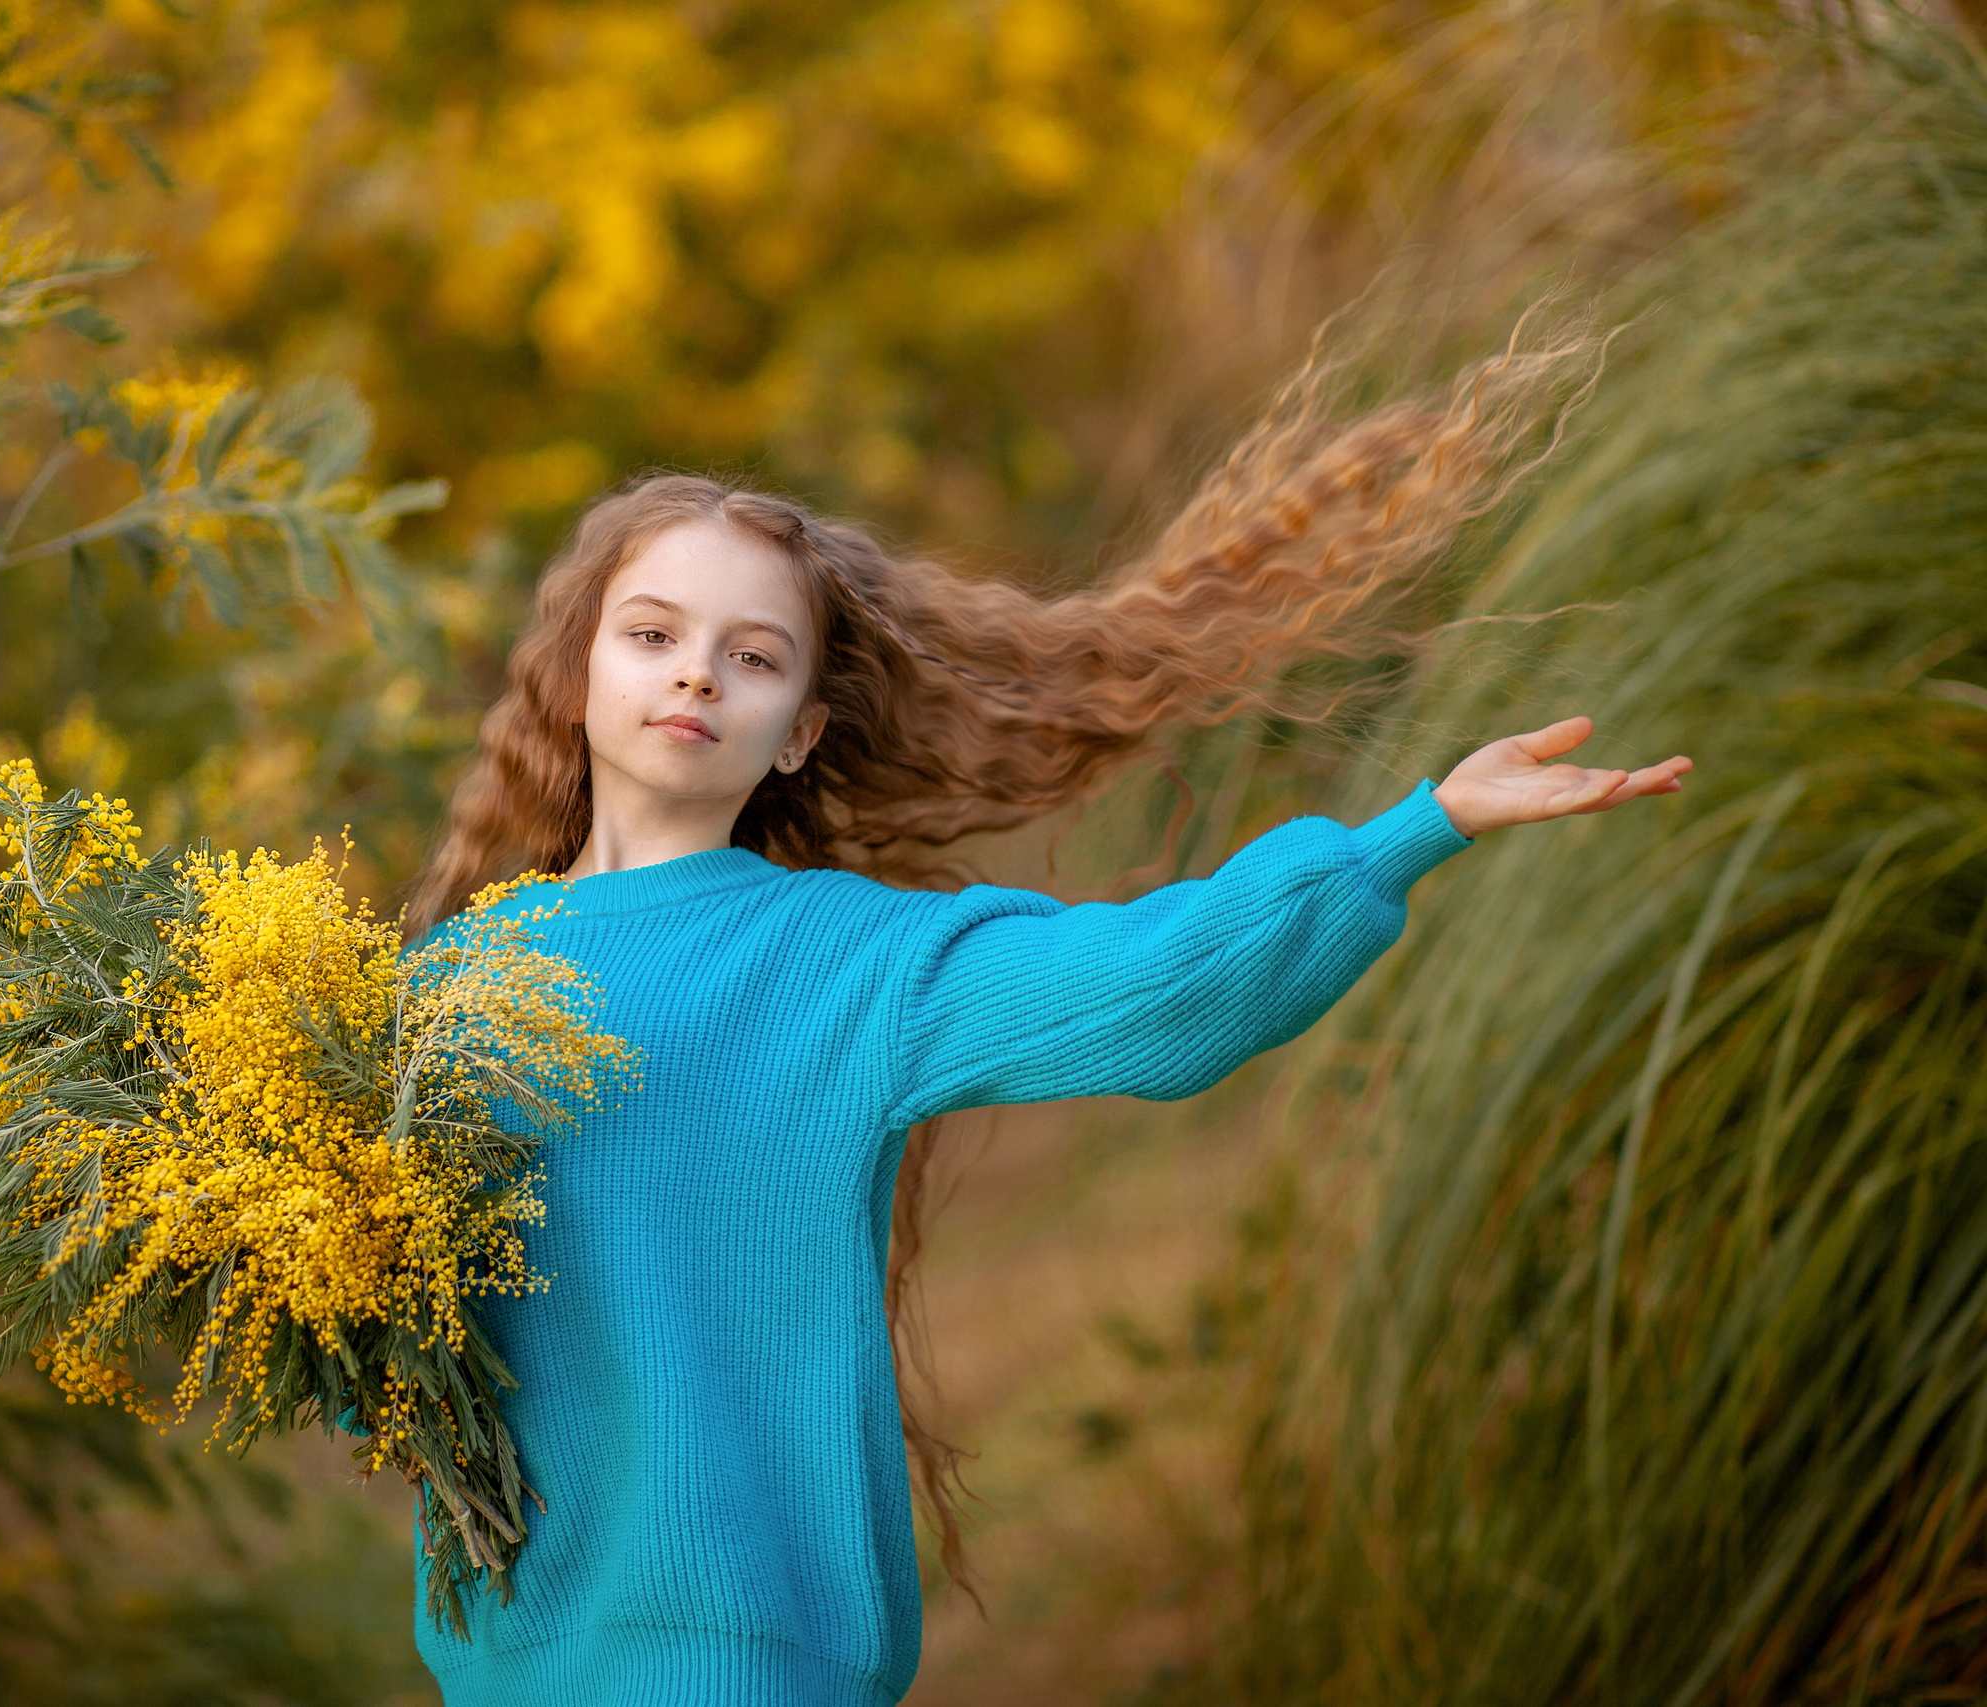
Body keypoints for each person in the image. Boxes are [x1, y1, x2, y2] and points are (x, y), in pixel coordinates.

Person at [399, 339, 1691, 1705]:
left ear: (797, 732)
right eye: (652, 634)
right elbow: (389, 1356)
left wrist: (1416, 831)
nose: (697, 675)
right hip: (503, 1669)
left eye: (753, 655)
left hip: (741, 1666)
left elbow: (1159, 987)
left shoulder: (849, 964)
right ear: (577, 670)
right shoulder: (441, 993)